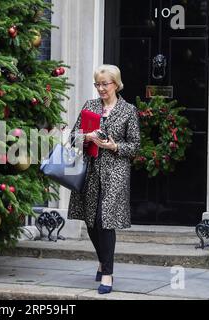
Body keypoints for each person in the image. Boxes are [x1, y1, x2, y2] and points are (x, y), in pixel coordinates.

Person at [68, 64, 140, 294]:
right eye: (97, 84)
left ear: (116, 84)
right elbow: (72, 137)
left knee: (104, 220)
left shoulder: (128, 110)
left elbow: (135, 146)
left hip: (115, 172)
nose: (100, 88)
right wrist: (86, 136)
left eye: (105, 84)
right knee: (90, 222)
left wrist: (114, 145)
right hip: (90, 170)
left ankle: (107, 274)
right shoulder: (89, 106)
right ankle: (102, 260)